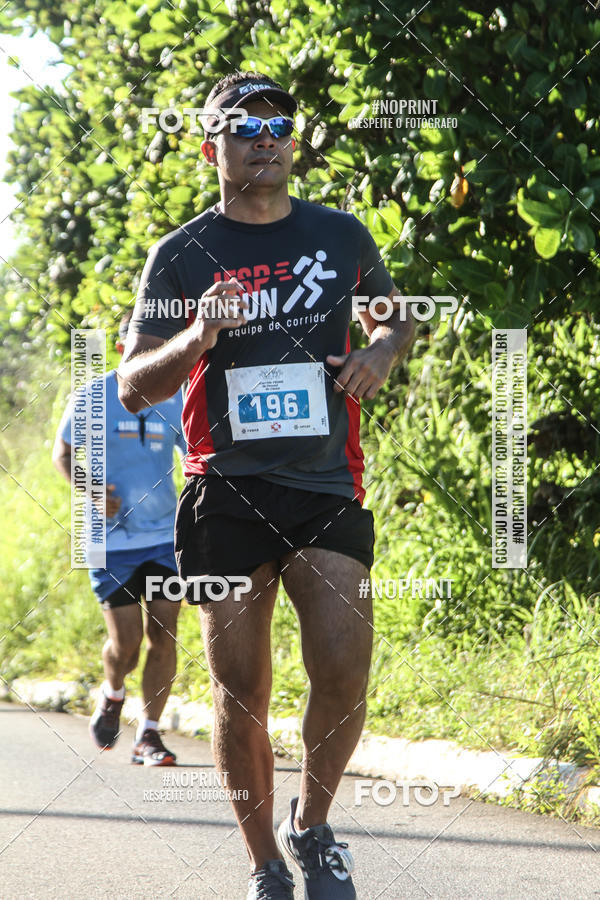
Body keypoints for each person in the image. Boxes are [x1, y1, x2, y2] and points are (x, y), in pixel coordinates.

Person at [118, 71, 415, 899]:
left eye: (279, 125)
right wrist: (198, 335)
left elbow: (396, 315)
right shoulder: (180, 255)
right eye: (245, 127)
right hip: (225, 493)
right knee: (240, 692)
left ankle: (311, 825)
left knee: (345, 670)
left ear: (294, 141)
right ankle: (265, 866)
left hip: (325, 483)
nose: (265, 139)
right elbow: (134, 384)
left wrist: (381, 352)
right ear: (209, 147)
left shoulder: (340, 234)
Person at [52, 312, 186, 766]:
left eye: (158, 345)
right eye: (140, 344)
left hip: (163, 538)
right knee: (125, 645)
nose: (150, 353)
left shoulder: (175, 395)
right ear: (121, 347)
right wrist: (90, 488)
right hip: (109, 543)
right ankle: (112, 694)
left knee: (164, 635)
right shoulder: (94, 395)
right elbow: (63, 453)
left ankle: (149, 734)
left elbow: (196, 455)